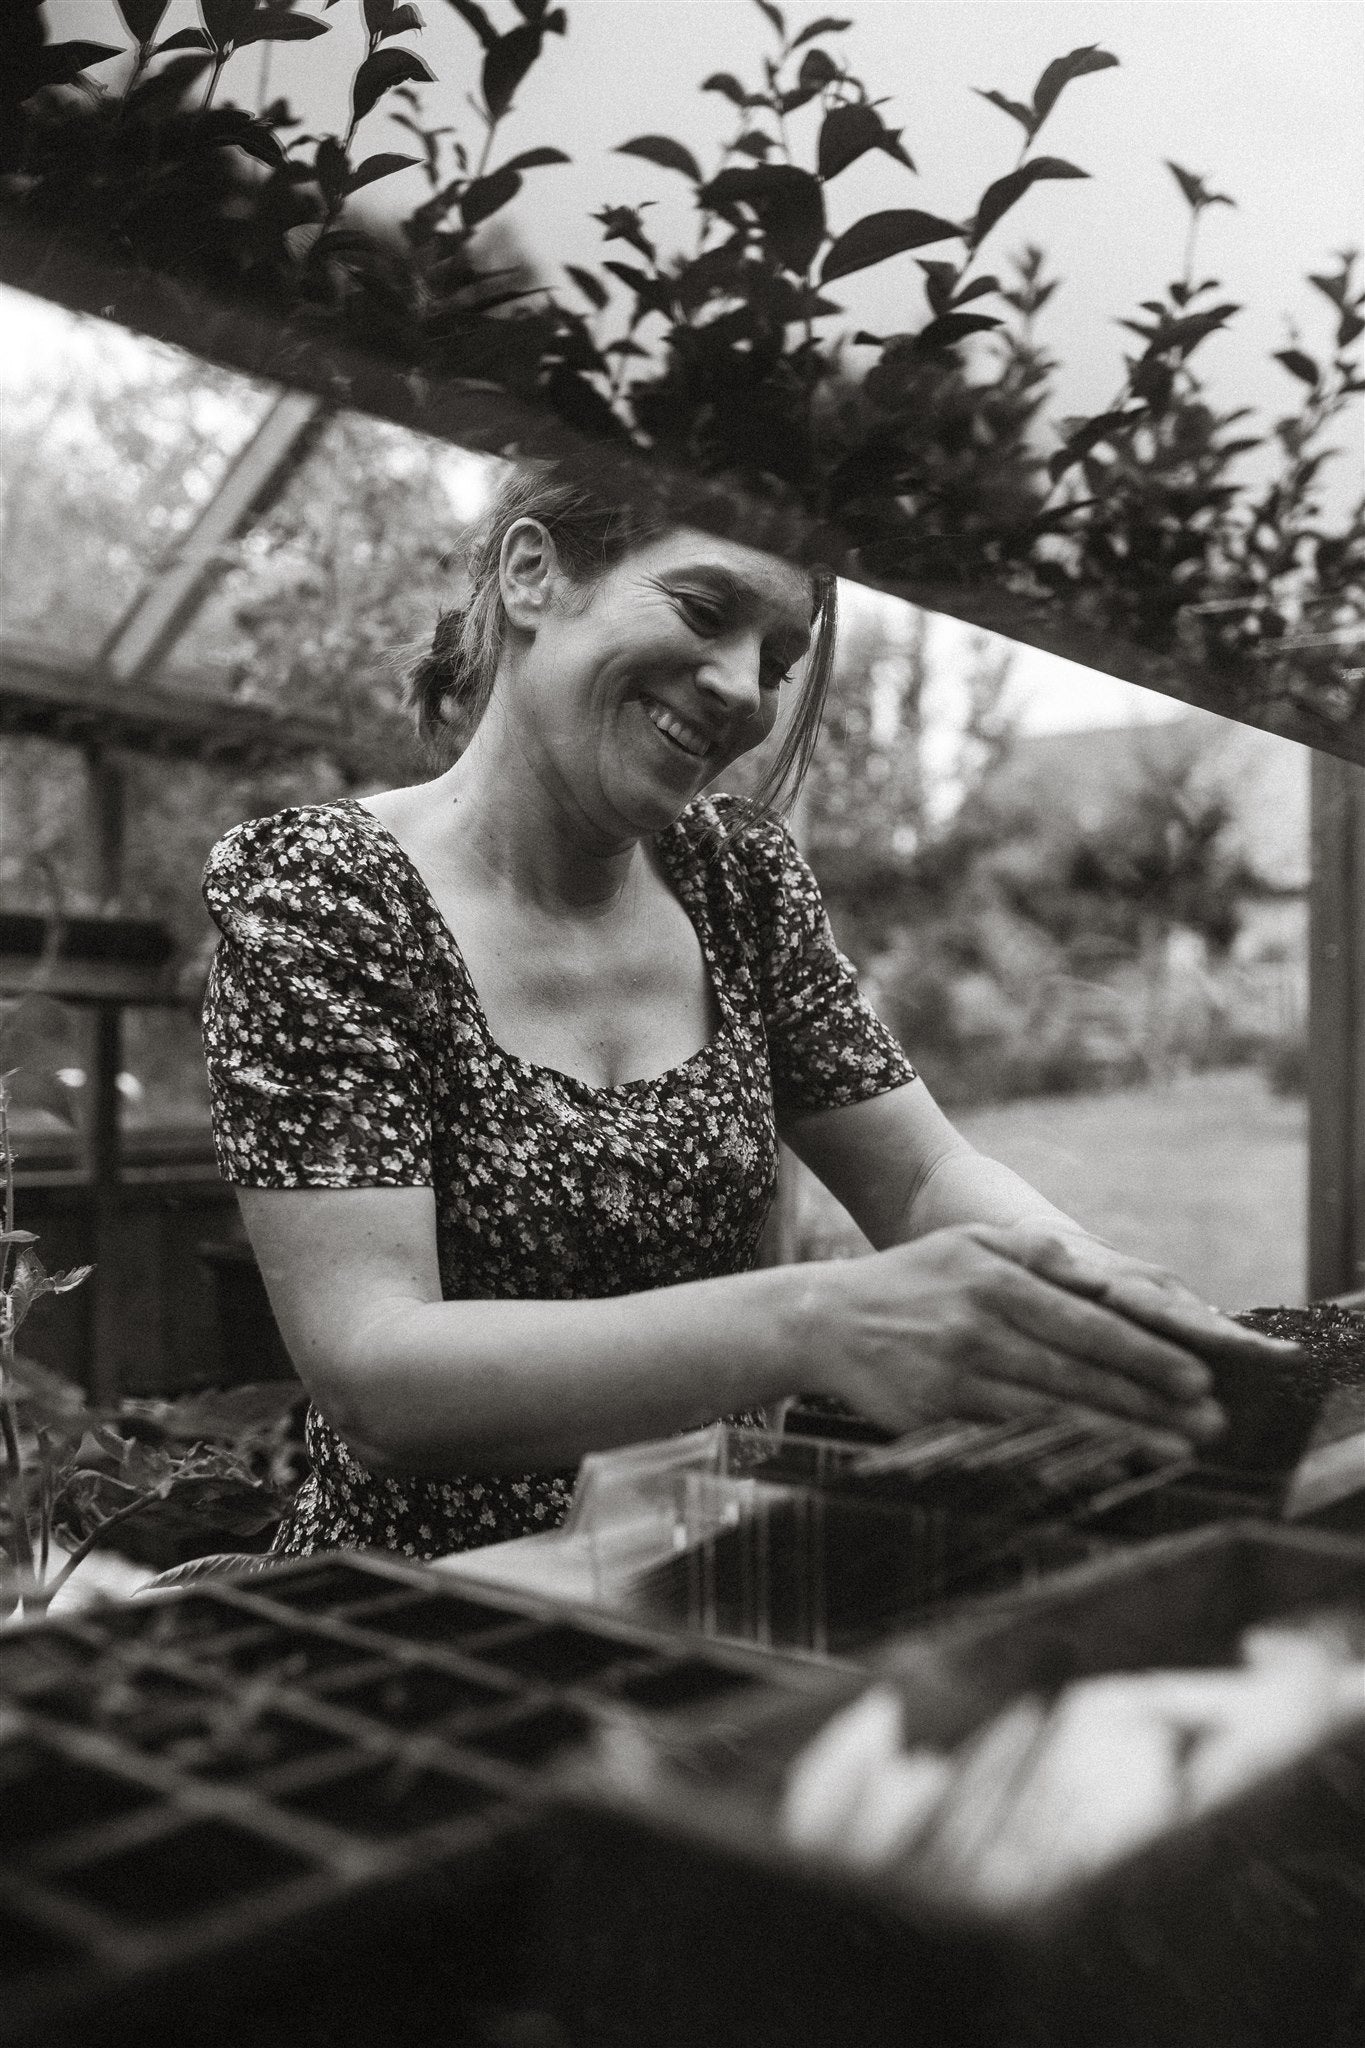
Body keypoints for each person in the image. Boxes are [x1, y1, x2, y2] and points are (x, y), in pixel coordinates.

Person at [201, 467, 1291, 1560]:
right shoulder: (328, 895)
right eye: (703, 610)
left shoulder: (738, 882)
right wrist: (819, 1320)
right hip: (427, 1618)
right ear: (533, 574)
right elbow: (375, 1374)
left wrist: (1105, 1296)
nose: (741, 690)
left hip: (702, 1578)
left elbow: (918, 1175)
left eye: (777, 660)